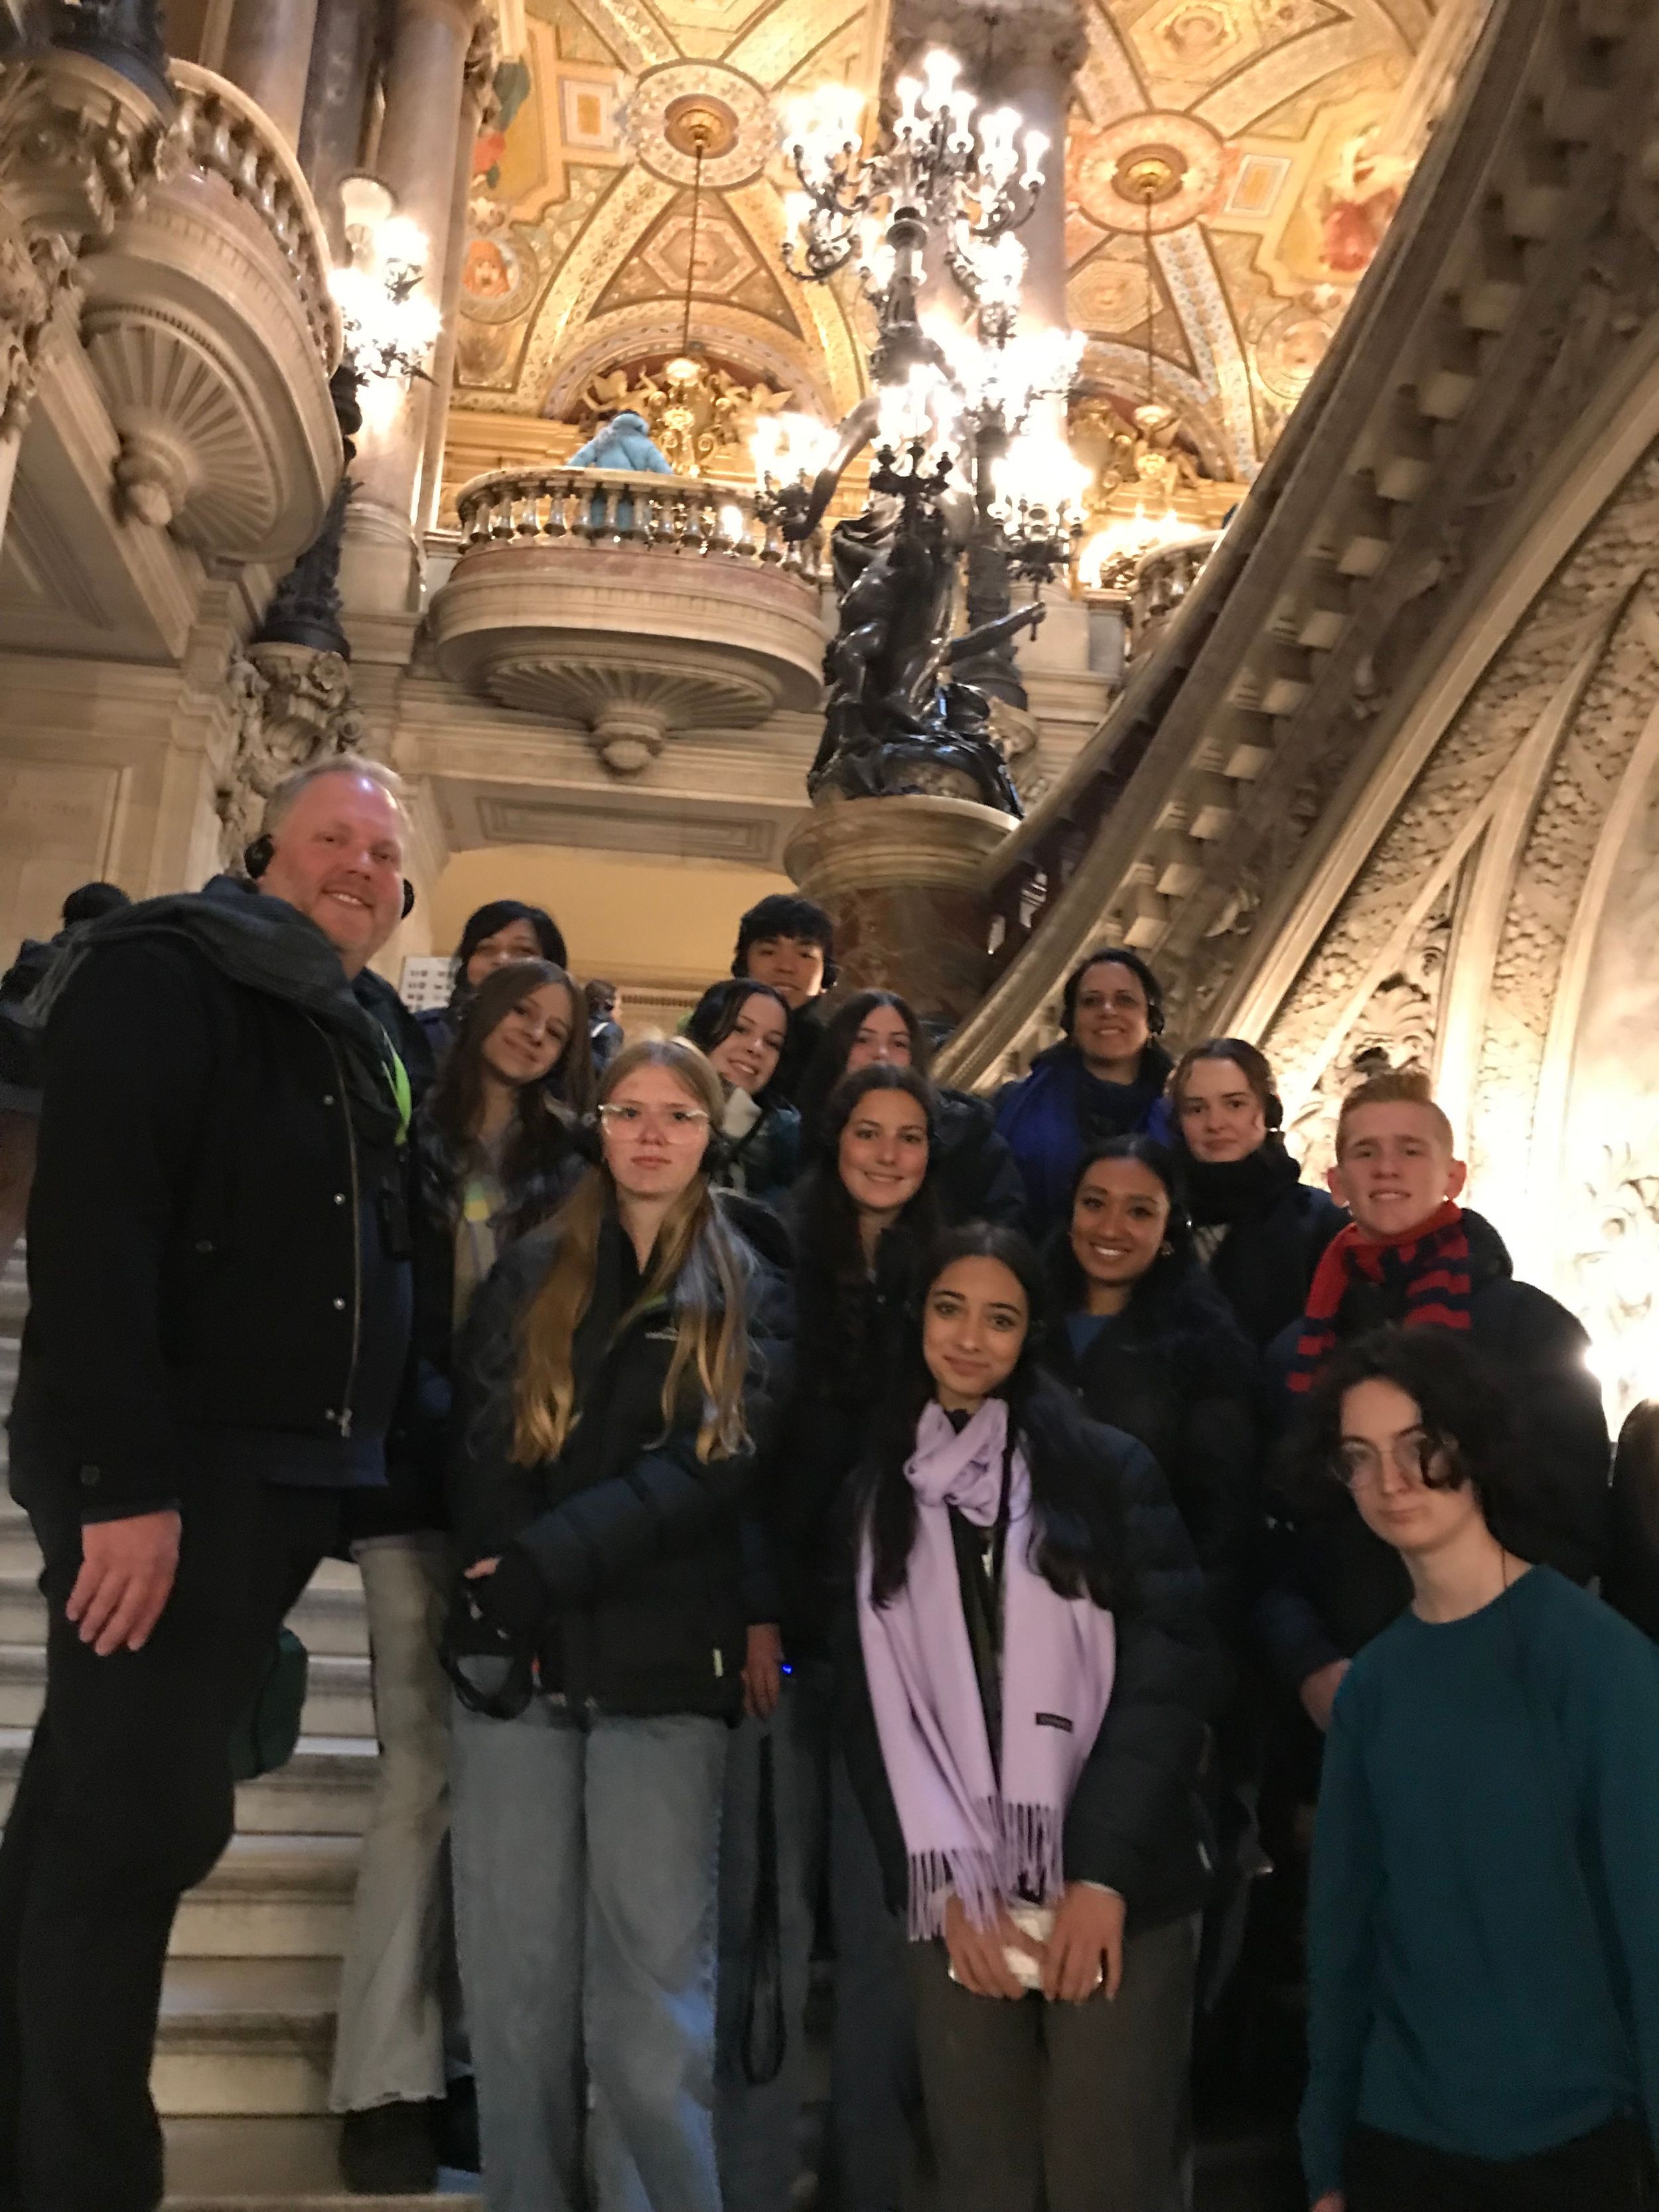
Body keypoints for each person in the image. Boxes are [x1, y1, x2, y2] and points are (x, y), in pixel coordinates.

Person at [0, 759, 416, 2212]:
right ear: (262, 850)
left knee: (81, 1815)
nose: (362, 866)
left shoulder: (351, 1021)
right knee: (138, 1832)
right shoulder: (169, 971)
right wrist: (122, 1482)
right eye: (334, 838)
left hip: (280, 1475)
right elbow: (96, 1228)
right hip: (174, 1476)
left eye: (385, 853)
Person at [446, 1037, 791, 2212]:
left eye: (677, 1115)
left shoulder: (752, 1277)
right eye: (630, 1111)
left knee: (652, 2008)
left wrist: (541, 1563)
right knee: (518, 1989)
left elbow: (712, 1463)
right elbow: (486, 1434)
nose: (651, 1134)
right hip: (520, 1666)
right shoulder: (532, 1264)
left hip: (663, 1666)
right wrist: (505, 1565)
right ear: (600, 1125)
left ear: (709, 1134)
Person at [841, 1222, 1222, 2212]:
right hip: (958, 1891)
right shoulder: (878, 1493)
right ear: (917, 1320)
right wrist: (938, 1890)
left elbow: (1168, 1677)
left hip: (1118, 1881)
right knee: (982, 2177)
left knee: (1108, 2174)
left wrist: (1100, 1873)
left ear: (1032, 1335)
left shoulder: (1105, 1470)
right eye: (949, 1309)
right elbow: (871, 1720)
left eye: (1000, 1318)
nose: (970, 1338)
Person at [330, 957, 593, 2191]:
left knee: (508, 1788)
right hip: (408, 1484)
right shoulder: (407, 1143)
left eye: (556, 1024)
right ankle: (385, 2081)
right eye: (519, 1013)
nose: (534, 1033)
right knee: (418, 1775)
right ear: (478, 1016)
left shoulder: (575, 1165)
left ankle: (485, 2064)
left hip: (527, 1491)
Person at [1295, 1328, 1659, 2212]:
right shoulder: (1374, 1685)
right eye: (1359, 1456)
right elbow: (1344, 1929)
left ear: (1472, 1442)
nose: (1392, 1480)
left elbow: (1649, 1924)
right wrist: (1325, 2156)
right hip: (1401, 2138)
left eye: (1418, 1445)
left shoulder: (1596, 1662)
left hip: (1575, 2138)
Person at [717, 1063, 940, 2212]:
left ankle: (868, 2176)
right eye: (869, 1132)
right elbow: (741, 1458)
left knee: (881, 1922)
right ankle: (751, 2178)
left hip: (902, 1649)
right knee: (768, 1912)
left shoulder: (949, 1280)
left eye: (909, 1136)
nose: (888, 1154)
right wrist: (756, 1605)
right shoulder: (771, 1259)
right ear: (835, 1140)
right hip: (789, 1631)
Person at [1260, 1069, 1610, 1735]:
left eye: (1410, 1149)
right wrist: (1310, 1664)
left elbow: (1569, 1521)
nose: (1386, 1167)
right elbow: (1274, 1530)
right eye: (1366, 1151)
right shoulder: (1291, 1353)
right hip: (1342, 1695)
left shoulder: (1532, 1330)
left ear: (1453, 1176)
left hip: (1497, 1683)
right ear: (1336, 1183)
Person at [1041, 1136, 1262, 1635]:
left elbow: (1222, 1527)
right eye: (1094, 1203)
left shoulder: (1208, 1350)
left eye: (1139, 1211)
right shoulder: (1021, 1322)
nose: (1110, 1227)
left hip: (1142, 1621)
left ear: (1169, 1228)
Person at [796, 987, 1027, 1229]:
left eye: (898, 1043)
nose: (882, 1054)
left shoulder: (970, 1138)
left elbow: (1004, 1227)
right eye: (863, 1040)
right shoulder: (803, 1128)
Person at [1169, 1038, 1346, 1349]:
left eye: (1235, 1104)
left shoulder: (1321, 1223)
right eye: (1196, 1109)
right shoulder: (1154, 1215)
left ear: (1268, 1110)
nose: (1215, 1123)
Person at [0, 881, 131, 1276]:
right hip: (40, 1109)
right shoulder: (104, 971)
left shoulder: (32, 959)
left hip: (5, 1092)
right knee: (12, 1208)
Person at [993, 948, 1174, 1234]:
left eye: (1124, 1000)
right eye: (1091, 1001)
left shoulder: (1178, 1120)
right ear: (1073, 1023)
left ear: (1151, 1021)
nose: (1108, 1010)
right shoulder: (1010, 1103)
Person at [684, 979, 801, 1207]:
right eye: (740, 1029)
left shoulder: (784, 1145)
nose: (756, 1048)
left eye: (772, 1043)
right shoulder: (652, 1110)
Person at [418, 899, 568, 1063]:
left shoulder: (566, 1051)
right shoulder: (420, 1033)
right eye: (486, 949)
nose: (501, 960)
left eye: (523, 951)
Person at [730, 892, 835, 1108]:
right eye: (769, 952)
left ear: (826, 970)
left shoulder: (840, 1052)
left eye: (805, 954)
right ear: (744, 963)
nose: (786, 967)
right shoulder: (715, 1035)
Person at [586, 976, 624, 1074]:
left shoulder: (577, 1025)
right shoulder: (611, 1031)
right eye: (618, 1007)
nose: (621, 1012)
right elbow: (610, 1071)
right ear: (608, 1006)